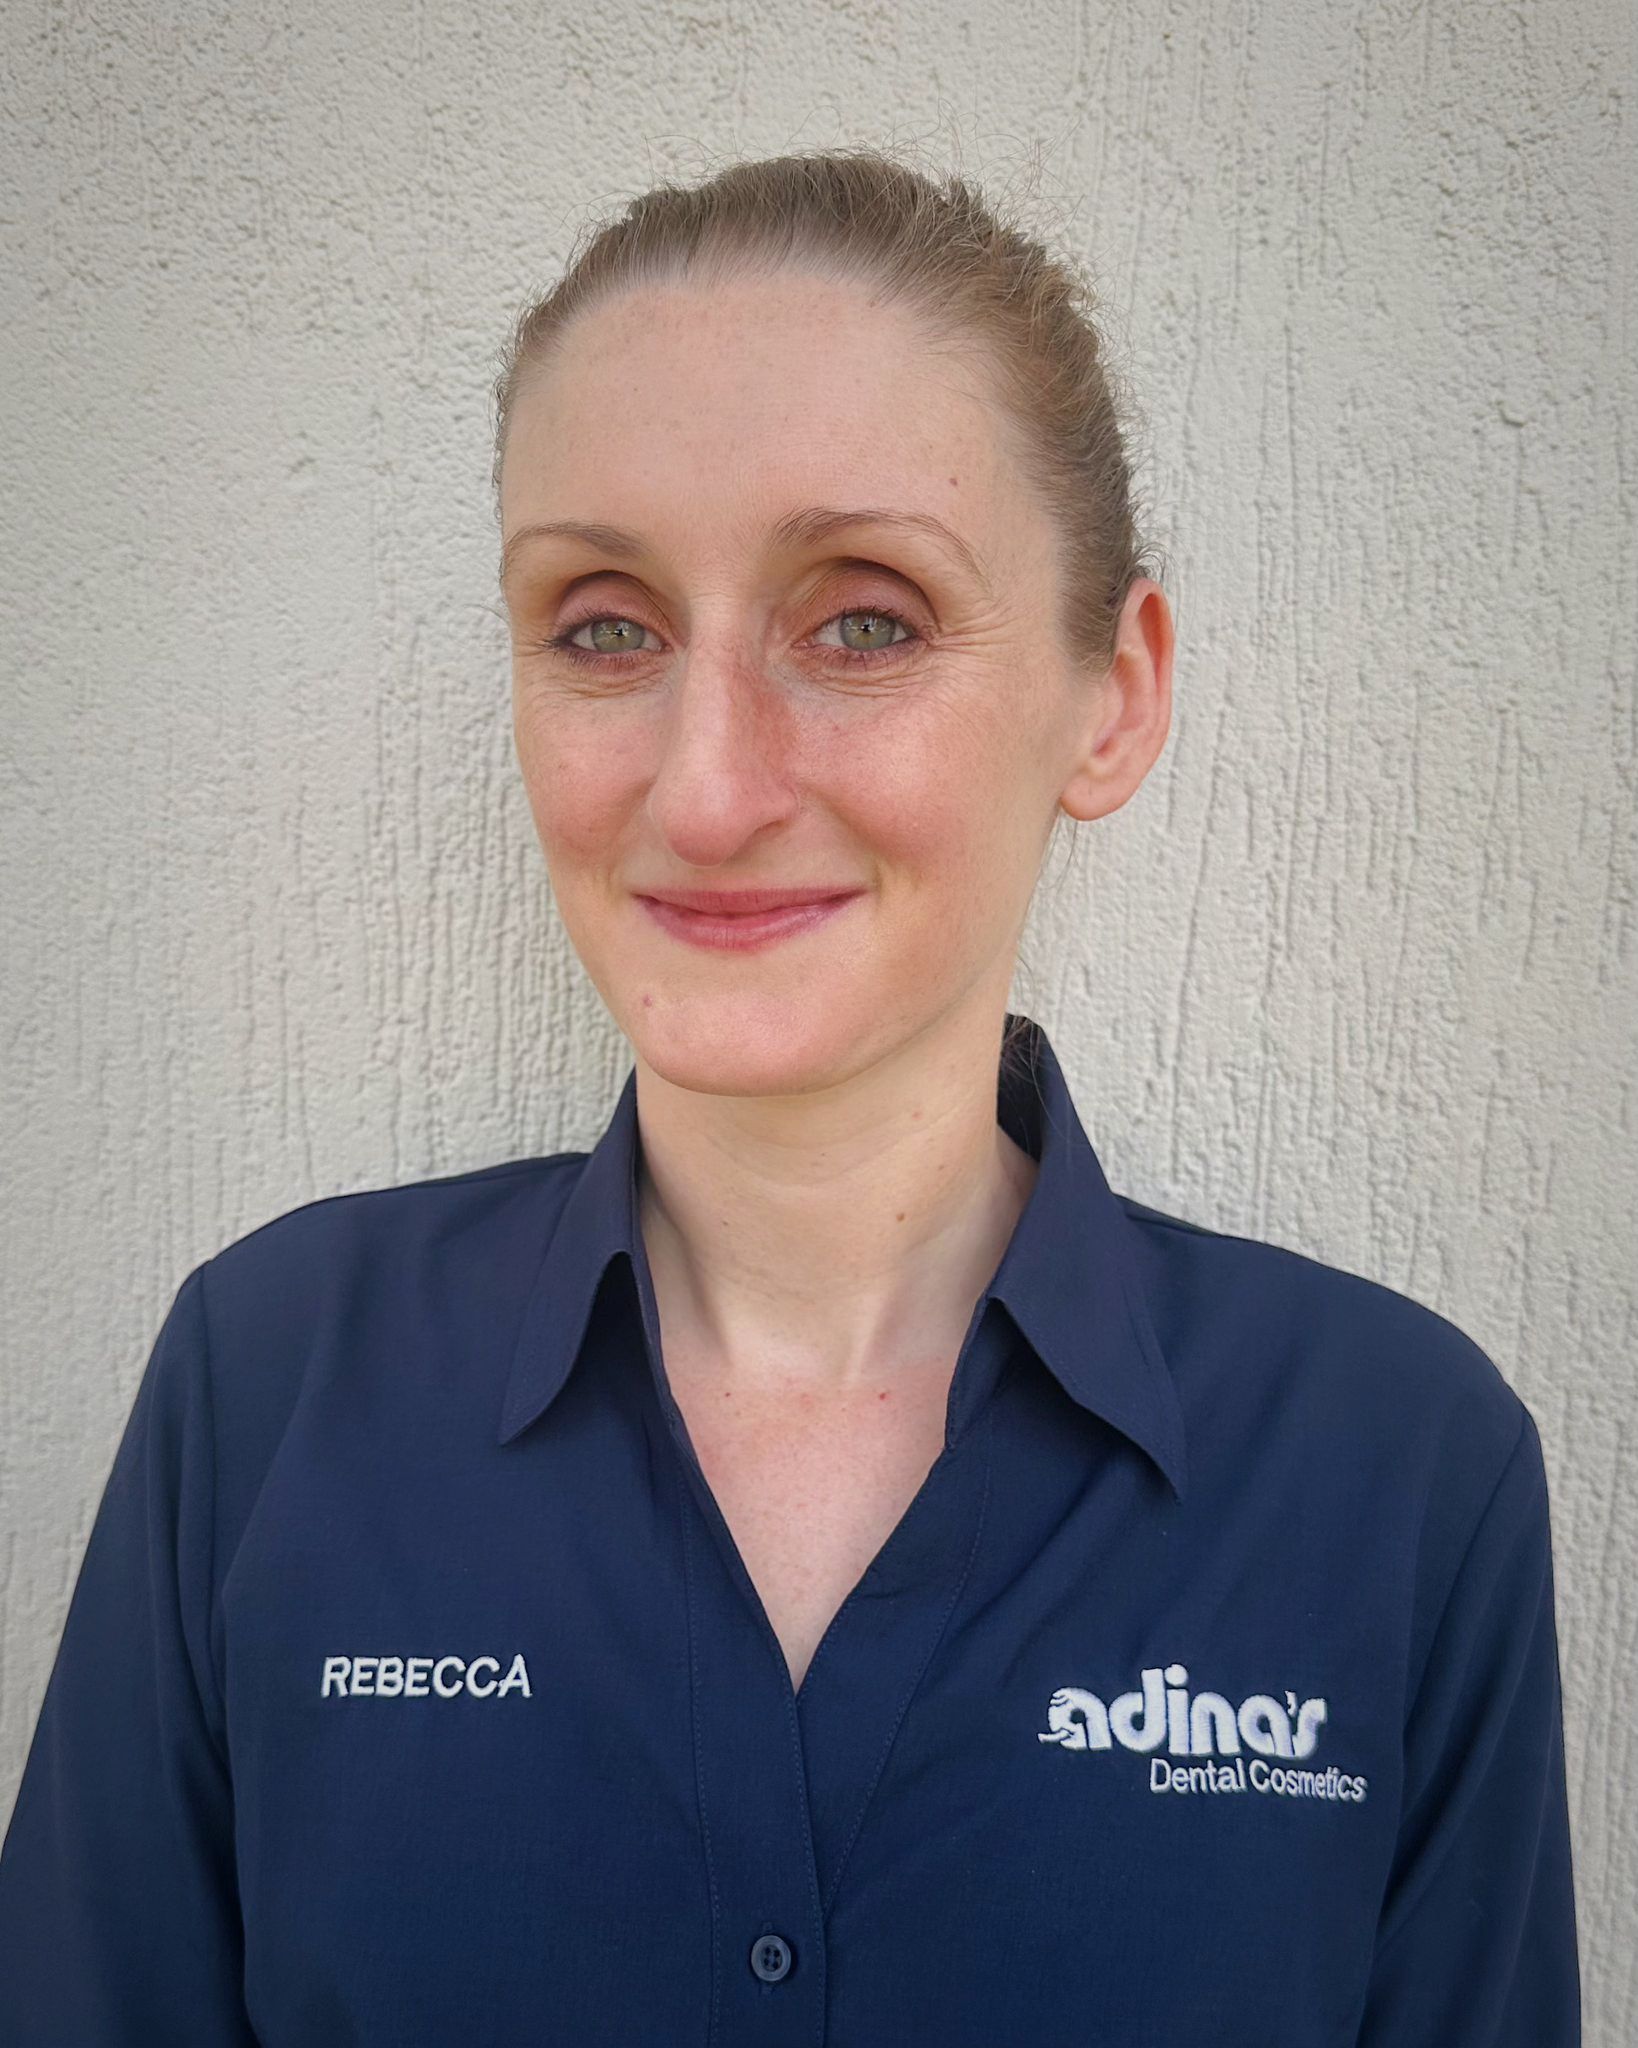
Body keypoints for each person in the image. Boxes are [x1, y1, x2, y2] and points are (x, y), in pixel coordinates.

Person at [0, 146, 1579, 2045]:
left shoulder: (1393, 1470)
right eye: (604, 626)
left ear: (1115, 694)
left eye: (864, 619)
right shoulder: (268, 1389)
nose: (708, 788)